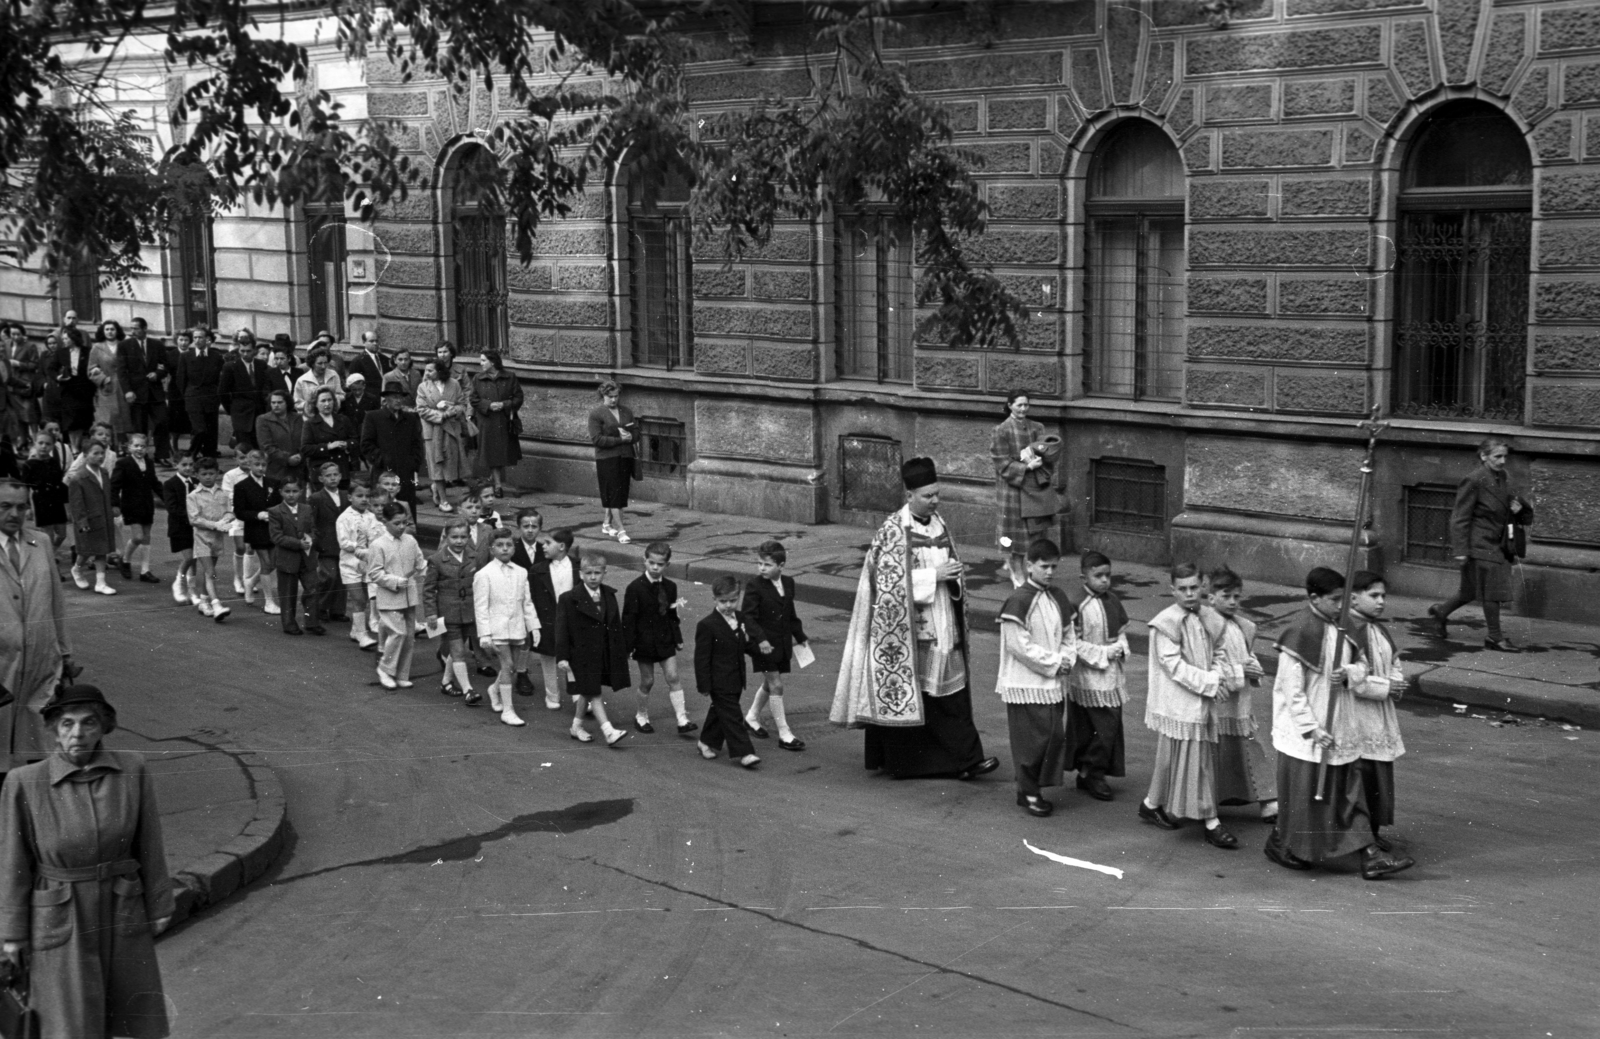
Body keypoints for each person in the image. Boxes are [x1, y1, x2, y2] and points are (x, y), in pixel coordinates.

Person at [0, 685, 174, 1039]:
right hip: (60, 914)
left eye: (88, 723)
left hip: (120, 905)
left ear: (104, 727)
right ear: (52, 729)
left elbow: (150, 843)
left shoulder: (132, 769)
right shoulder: (25, 782)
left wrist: (159, 904)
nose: (77, 734)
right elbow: (13, 863)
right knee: (70, 1024)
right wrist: (12, 933)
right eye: (66, 724)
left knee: (130, 1020)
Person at [830, 457, 999, 781]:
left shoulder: (939, 524)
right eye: (928, 495)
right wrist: (933, 576)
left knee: (951, 696)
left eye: (937, 494)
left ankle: (967, 759)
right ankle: (906, 763)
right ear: (909, 495)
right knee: (914, 695)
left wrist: (952, 580)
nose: (935, 500)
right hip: (908, 631)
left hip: (942, 621)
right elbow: (886, 583)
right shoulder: (894, 530)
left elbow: (952, 566)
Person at [1265, 567, 1415, 880]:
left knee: (1350, 794)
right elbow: (1290, 691)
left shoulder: (1342, 629)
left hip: (1341, 728)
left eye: (1343, 600)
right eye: (1335, 600)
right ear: (1314, 598)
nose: (1340, 606)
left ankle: (1369, 857)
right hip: (1307, 736)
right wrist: (1310, 728)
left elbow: (1361, 665)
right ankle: (1282, 843)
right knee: (1305, 799)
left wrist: (1349, 673)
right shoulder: (1299, 632)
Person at [1138, 563, 1240, 849]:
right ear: (1172, 590)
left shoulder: (1209, 616)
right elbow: (1173, 666)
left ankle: (1151, 803)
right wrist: (1209, 682)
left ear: (1202, 585)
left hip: (1202, 696)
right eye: (1182, 589)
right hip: (1179, 700)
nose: (1189, 594)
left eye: (1194, 587)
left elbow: (1220, 649)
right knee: (1192, 759)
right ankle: (1211, 821)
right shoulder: (1165, 622)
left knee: (1176, 758)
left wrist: (1218, 676)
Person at [1428, 437, 1534, 652]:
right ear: (1483, 456)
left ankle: (1441, 612)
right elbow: (1460, 517)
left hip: (1500, 542)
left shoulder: (1503, 476)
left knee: (1469, 592)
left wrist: (1519, 509)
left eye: (1505, 456)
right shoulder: (1473, 480)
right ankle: (1494, 637)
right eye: (1497, 456)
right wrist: (1461, 550)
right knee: (1492, 592)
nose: (1503, 461)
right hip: (1480, 544)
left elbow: (1521, 512)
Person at [996, 539, 1076, 817]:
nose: (1050, 572)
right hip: (1026, 682)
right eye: (1044, 566)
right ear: (1029, 565)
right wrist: (1055, 662)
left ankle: (1033, 787)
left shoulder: (1058, 596)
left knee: (1054, 734)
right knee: (1032, 740)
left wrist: (1067, 659)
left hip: (1053, 680)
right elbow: (1018, 646)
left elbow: (1068, 634)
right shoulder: (1019, 599)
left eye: (1054, 566)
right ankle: (1027, 791)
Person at [0, 480, 73, 775]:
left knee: (40, 745)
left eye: (21, 506)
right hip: (2, 665)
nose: (15, 514)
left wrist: (66, 653)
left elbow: (56, 598)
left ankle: (38, 811)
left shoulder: (40, 542)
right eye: (5, 506)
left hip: (41, 660)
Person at [1206, 566, 1278, 825]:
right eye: (1226, 596)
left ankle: (1268, 800)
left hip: (1240, 703)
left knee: (1251, 747)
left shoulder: (1242, 627)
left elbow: (1246, 654)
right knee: (1216, 752)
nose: (1233, 602)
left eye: (1237, 596)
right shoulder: (1205, 627)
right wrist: (1239, 671)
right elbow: (1206, 665)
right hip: (1218, 700)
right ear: (1211, 597)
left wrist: (1253, 667)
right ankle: (1209, 800)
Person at [1345, 570, 1408, 855]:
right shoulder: (1346, 631)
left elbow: (1393, 660)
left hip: (1380, 715)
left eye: (1383, 596)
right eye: (1374, 595)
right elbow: (1352, 680)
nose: (1381, 601)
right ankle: (1359, 836)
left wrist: (1396, 681)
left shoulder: (1378, 629)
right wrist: (1386, 688)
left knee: (1379, 779)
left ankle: (1372, 831)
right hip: (1358, 715)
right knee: (1362, 777)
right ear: (1354, 597)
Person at [1065, 550, 1130, 802]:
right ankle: (1091, 772)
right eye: (1098, 576)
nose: (1104, 581)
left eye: (1108, 575)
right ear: (1084, 577)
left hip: (1110, 675)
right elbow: (1074, 643)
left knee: (1108, 725)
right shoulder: (1076, 603)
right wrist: (1104, 652)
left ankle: (1091, 771)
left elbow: (1121, 634)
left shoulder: (1113, 600)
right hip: (1087, 675)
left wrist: (1120, 648)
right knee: (1094, 727)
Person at [740, 539, 809, 751]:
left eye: (767, 564)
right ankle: (784, 733)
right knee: (776, 685)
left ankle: (751, 717)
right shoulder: (754, 585)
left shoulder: (788, 583)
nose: (762, 568)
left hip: (781, 643)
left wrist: (800, 636)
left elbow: (790, 613)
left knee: (769, 684)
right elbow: (748, 617)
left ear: (781, 566)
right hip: (762, 644)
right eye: (759, 563)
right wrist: (760, 639)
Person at [554, 554, 629, 746]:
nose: (593, 577)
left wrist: (621, 650)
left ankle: (576, 726)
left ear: (605, 573)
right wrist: (562, 656)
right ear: (581, 574)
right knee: (593, 691)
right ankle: (608, 730)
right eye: (588, 573)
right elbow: (561, 630)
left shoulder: (609, 596)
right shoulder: (569, 599)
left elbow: (615, 626)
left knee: (587, 690)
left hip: (602, 652)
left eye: (597, 573)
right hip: (580, 653)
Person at [622, 541, 695, 736]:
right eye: (651, 562)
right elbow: (628, 620)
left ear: (667, 565)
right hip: (644, 642)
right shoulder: (635, 588)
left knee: (673, 677)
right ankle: (641, 715)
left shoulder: (670, 587)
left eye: (660, 564)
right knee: (648, 681)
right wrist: (628, 646)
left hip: (664, 639)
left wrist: (677, 638)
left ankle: (682, 719)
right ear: (644, 561)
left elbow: (673, 615)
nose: (655, 567)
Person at [990, 389, 1057, 588]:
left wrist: (1042, 459)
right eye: (1019, 405)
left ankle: (1027, 569)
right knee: (1013, 535)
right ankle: (1015, 570)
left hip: (1033, 487)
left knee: (1033, 532)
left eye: (1026, 405)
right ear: (1009, 405)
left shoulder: (1037, 427)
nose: (1023, 409)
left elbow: (1048, 452)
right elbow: (1000, 461)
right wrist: (1025, 466)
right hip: (1012, 489)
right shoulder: (1001, 430)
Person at [471, 526, 537, 726]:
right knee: (507, 666)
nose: (505, 549)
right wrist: (484, 635)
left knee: (513, 667)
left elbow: (527, 602)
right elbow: (480, 607)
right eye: (500, 545)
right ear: (491, 549)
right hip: (496, 628)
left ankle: (494, 689)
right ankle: (508, 711)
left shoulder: (521, 572)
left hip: (516, 627)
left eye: (509, 545)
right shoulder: (484, 574)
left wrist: (534, 626)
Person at [693, 575, 761, 769]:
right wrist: (704, 685)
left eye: (733, 600)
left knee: (721, 712)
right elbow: (702, 659)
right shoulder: (707, 625)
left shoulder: (740, 619)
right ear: (714, 600)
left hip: (737, 677)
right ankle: (744, 752)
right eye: (723, 601)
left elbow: (744, 644)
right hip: (718, 681)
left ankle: (706, 742)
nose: (728, 605)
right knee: (732, 715)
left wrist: (760, 650)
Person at [367, 502, 425, 690]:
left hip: (409, 595)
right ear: (385, 522)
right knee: (398, 633)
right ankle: (385, 669)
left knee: (409, 637)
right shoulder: (378, 544)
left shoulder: (410, 540)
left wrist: (425, 570)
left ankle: (401, 674)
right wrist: (394, 581)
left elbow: (419, 562)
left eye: (404, 523)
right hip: (389, 597)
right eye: (396, 523)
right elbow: (374, 573)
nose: (401, 527)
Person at [425, 519, 480, 701]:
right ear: (446, 537)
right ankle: (468, 690)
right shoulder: (436, 560)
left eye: (463, 537)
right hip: (448, 613)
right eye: (454, 537)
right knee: (458, 651)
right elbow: (429, 589)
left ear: (469, 537)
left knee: (457, 649)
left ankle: (446, 683)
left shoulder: (473, 557)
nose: (459, 541)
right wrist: (431, 613)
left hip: (469, 612)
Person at [268, 476, 325, 637]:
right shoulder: (275, 511)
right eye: (287, 491)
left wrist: (311, 539)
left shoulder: (306, 509)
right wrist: (298, 543)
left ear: (300, 492)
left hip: (307, 558)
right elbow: (276, 537)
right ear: (281, 492)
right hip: (287, 559)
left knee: (313, 589)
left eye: (294, 491)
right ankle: (289, 624)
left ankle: (312, 622)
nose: (291, 495)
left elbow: (313, 528)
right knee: (288, 593)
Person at [529, 528, 577, 710]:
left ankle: (577, 694)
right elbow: (532, 598)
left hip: (572, 621)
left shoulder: (578, 566)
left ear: (562, 546)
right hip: (547, 620)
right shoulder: (537, 570)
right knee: (548, 658)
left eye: (548, 543)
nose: (543, 546)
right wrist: (534, 624)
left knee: (574, 658)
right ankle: (552, 695)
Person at [360, 383, 425, 510]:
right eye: (394, 397)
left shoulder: (410, 418)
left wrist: (413, 463)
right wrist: (383, 460)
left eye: (400, 397)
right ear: (386, 399)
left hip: (406, 473)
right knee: (383, 508)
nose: (398, 400)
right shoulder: (373, 417)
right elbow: (366, 444)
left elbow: (417, 444)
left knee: (406, 509)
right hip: (383, 472)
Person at [231, 449, 281, 613]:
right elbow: (239, 512)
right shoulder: (242, 486)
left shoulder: (273, 483)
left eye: (263, 465)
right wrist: (257, 515)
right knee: (266, 563)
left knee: (273, 563)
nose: (261, 468)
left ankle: (250, 582)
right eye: (257, 464)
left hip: (272, 528)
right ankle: (269, 602)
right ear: (249, 465)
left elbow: (280, 505)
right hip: (256, 529)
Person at [416, 358, 469, 511]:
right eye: (426, 370)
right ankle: (443, 501)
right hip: (432, 432)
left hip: (451, 430)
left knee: (450, 464)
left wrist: (452, 409)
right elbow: (422, 410)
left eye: (430, 370)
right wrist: (441, 414)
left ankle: (436, 488)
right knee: (437, 466)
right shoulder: (423, 387)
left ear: (439, 371)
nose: (426, 373)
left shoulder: (454, 384)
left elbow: (462, 404)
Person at [185, 457, 234, 621]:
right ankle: (216, 603)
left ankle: (203, 601)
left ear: (217, 474)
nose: (208, 477)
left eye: (211, 473)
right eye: (204, 474)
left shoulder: (223, 494)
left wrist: (224, 521)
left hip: (217, 538)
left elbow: (229, 512)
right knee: (210, 571)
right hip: (202, 539)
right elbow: (194, 519)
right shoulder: (193, 496)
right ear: (197, 475)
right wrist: (215, 525)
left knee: (209, 571)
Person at [336, 479, 383, 650]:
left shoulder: (372, 517)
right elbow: (344, 543)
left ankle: (356, 631)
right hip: (351, 565)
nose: (364, 499)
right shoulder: (344, 518)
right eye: (359, 495)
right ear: (350, 497)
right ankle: (361, 634)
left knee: (364, 600)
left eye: (367, 496)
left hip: (368, 565)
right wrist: (363, 548)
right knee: (358, 598)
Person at [66, 441, 117, 595]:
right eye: (95, 453)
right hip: (88, 520)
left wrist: (113, 508)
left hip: (104, 518)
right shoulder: (78, 478)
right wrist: (82, 522)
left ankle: (100, 583)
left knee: (102, 550)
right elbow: (76, 504)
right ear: (85, 455)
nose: (100, 456)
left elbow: (107, 495)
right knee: (86, 551)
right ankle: (77, 569)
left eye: (102, 453)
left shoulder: (105, 473)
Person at [587, 380, 635, 543]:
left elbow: (636, 432)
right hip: (607, 459)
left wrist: (632, 437)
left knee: (619, 494)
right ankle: (621, 530)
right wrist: (620, 440)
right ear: (603, 395)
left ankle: (607, 524)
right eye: (610, 396)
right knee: (614, 494)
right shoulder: (596, 413)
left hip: (625, 457)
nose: (614, 400)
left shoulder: (626, 411)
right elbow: (597, 439)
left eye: (616, 396)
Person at [109, 433, 161, 583]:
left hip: (147, 504)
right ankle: (125, 560)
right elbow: (114, 486)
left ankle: (145, 570)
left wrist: (167, 498)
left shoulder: (149, 463)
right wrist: (114, 504)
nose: (139, 449)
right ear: (129, 447)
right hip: (131, 505)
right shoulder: (123, 463)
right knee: (138, 537)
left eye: (143, 446)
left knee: (146, 536)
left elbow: (154, 483)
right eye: (136, 445)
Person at [470, 349, 522, 497]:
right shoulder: (478, 379)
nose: (481, 363)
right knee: (492, 453)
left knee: (502, 453)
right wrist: (488, 405)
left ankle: (494, 478)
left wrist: (504, 404)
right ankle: (498, 485)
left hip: (505, 421)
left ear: (492, 362)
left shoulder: (510, 377)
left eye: (483, 360)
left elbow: (518, 397)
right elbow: (473, 399)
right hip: (487, 422)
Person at [116, 318, 169, 463]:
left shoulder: (156, 345)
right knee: (139, 427)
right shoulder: (124, 346)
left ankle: (162, 455)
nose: (132, 332)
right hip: (136, 393)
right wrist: (127, 391)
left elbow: (164, 365)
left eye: (136, 328)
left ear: (145, 328)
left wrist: (157, 374)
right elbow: (121, 371)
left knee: (162, 422)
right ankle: (141, 456)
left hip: (155, 392)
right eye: (131, 328)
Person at [20, 432, 71, 580]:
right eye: (40, 443)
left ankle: (48, 554)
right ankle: (54, 570)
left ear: (52, 446)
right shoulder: (29, 465)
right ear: (34, 444)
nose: (43, 446)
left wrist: (67, 506)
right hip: (41, 502)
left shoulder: (54, 461)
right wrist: (27, 506)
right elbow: (24, 486)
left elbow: (59, 484)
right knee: (47, 537)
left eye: (47, 444)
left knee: (62, 534)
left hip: (56, 501)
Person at [44, 316, 95, 447]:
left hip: (84, 390)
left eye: (66, 338)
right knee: (71, 421)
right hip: (68, 390)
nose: (64, 341)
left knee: (83, 421)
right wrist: (57, 377)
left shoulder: (87, 351)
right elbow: (51, 368)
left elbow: (94, 366)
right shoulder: (61, 353)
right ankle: (74, 448)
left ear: (73, 339)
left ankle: (77, 445)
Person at [307, 461, 348, 622]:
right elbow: (312, 522)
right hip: (326, 544)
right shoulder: (316, 498)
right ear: (321, 479)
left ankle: (338, 610)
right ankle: (322, 607)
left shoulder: (346, 496)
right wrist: (316, 541)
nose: (332, 478)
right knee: (328, 576)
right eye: (328, 476)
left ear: (340, 476)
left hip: (344, 543)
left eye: (335, 475)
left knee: (342, 577)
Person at [176, 327, 224, 458]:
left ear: (207, 339)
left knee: (211, 432)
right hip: (193, 398)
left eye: (200, 337)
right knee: (200, 429)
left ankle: (209, 460)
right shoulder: (186, 356)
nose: (197, 340)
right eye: (195, 337)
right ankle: (191, 455)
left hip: (211, 398)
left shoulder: (216, 356)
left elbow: (220, 379)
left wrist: (218, 396)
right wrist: (187, 396)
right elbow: (181, 379)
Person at [218, 335, 269, 453]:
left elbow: (265, 387)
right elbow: (222, 392)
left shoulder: (261, 365)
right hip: (241, 414)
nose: (245, 354)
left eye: (248, 351)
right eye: (242, 351)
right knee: (245, 448)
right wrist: (232, 409)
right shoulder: (231, 367)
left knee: (258, 447)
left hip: (259, 412)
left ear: (255, 351)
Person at [300, 385, 359, 483]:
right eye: (323, 401)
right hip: (322, 473)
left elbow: (355, 440)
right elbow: (305, 449)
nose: (327, 404)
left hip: (342, 471)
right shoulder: (310, 423)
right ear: (315, 404)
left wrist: (347, 445)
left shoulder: (343, 419)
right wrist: (328, 447)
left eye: (330, 400)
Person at [160, 452, 197, 603]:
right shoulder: (170, 484)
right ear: (176, 465)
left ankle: (193, 591)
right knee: (189, 557)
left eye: (190, 464)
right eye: (184, 465)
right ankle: (179, 582)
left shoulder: (196, 482)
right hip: (180, 527)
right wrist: (192, 517)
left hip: (195, 527)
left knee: (195, 559)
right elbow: (172, 508)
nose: (188, 468)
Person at [88, 319, 133, 436]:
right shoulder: (97, 348)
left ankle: (123, 445)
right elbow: (91, 369)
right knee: (109, 417)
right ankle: (110, 445)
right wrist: (103, 379)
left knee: (125, 416)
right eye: (107, 329)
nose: (110, 332)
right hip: (107, 387)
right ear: (103, 331)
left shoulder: (124, 345)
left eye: (112, 329)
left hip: (124, 385)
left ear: (117, 331)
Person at [256, 389, 304, 485]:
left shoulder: (298, 418)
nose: (276, 405)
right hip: (276, 470)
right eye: (273, 402)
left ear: (287, 403)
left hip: (298, 469)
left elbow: (304, 440)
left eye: (279, 402)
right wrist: (287, 459)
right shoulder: (263, 420)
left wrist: (300, 455)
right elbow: (266, 446)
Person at [7, 322, 42, 442]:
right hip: (11, 384)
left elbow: (35, 364)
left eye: (18, 334)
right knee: (18, 415)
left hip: (25, 385)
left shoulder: (30, 346)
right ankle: (23, 440)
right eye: (12, 334)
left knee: (30, 414)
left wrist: (19, 364)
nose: (15, 337)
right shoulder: (7, 345)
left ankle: (35, 439)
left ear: (23, 334)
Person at [293, 347, 342, 416]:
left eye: (326, 363)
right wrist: (312, 404)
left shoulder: (333, 375)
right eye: (320, 363)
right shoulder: (302, 380)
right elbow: (297, 403)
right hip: (311, 418)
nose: (323, 366)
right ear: (312, 363)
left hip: (331, 415)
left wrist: (334, 400)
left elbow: (340, 394)